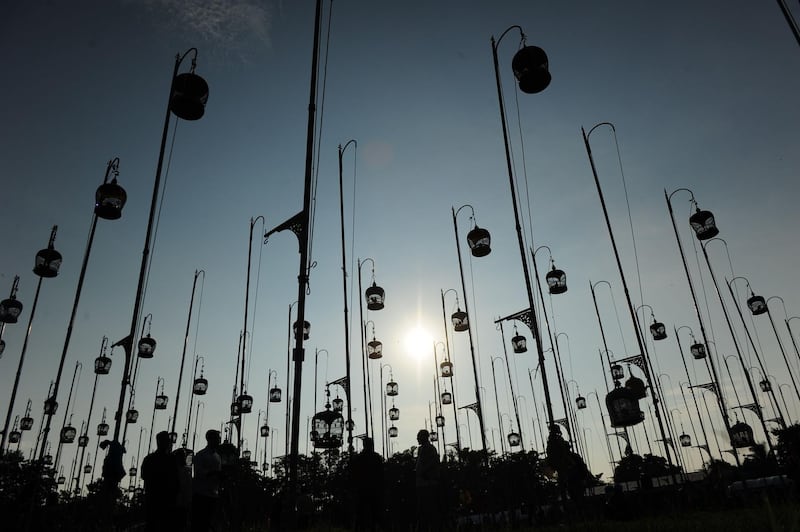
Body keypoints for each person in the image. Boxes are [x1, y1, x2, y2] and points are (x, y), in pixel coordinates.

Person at [141, 431, 179, 532]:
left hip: (156, 498)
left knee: (153, 525)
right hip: (162, 498)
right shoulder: (171, 459)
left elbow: (144, 475)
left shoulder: (149, 459)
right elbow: (176, 480)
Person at [350, 437, 384, 530]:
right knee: (375, 513)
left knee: (360, 513)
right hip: (374, 489)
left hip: (362, 489)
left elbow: (353, 473)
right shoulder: (376, 457)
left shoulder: (359, 458)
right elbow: (381, 473)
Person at [192, 429, 222, 532]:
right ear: (210, 439)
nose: (219, 441)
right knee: (200, 523)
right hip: (201, 494)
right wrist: (211, 473)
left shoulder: (218, 457)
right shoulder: (201, 455)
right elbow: (198, 472)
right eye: (217, 439)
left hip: (213, 494)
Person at [415, 429, 441, 530]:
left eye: (419, 436)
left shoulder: (429, 449)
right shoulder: (425, 449)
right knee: (425, 511)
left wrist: (424, 472)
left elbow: (432, 463)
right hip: (423, 483)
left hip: (427, 484)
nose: (417, 438)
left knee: (427, 510)